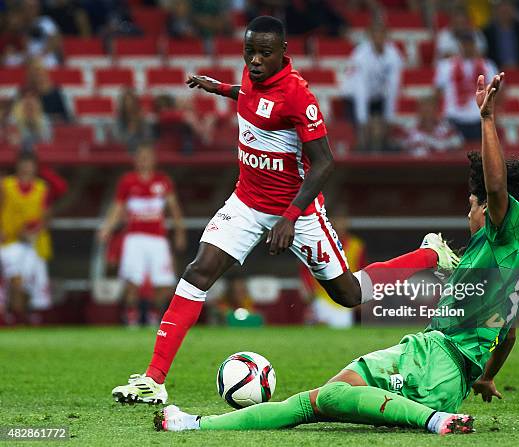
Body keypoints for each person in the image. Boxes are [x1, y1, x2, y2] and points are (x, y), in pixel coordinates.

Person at [153, 71, 519, 436]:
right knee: (326, 399)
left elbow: (496, 188)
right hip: (450, 381)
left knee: (326, 399)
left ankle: (434, 420)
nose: (471, 213)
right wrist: (486, 376)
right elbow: (507, 335)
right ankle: (195, 423)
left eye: (473, 205)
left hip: (431, 359)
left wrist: (487, 120)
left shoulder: (503, 232)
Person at [111, 16, 460, 404]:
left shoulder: (299, 96)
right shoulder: (250, 77)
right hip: (246, 201)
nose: (255, 60)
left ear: (283, 54)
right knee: (198, 271)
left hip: (299, 211)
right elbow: (252, 97)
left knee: (349, 293)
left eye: (264, 53)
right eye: (250, 52)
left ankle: (431, 252)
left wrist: (291, 217)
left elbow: (326, 162)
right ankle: (154, 379)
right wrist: (221, 88)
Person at [98, 144, 187, 327]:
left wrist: (180, 232)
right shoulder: (128, 181)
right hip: (135, 239)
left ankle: (153, 315)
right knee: (132, 282)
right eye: (141, 156)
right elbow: (118, 207)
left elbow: (174, 208)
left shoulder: (162, 181)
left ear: (154, 160)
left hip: (158, 240)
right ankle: (131, 318)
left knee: (164, 284)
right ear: (135, 160)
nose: (144, 160)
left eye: (148, 156)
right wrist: (107, 227)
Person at [0, 152, 54, 323]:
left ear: (35, 167)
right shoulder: (5, 185)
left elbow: (46, 217)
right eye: (23, 164)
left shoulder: (41, 188)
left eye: (30, 164)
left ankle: (25, 318)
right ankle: (14, 317)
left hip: (33, 243)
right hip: (9, 242)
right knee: (14, 281)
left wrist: (34, 231)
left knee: (31, 285)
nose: (26, 168)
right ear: (17, 166)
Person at [341, 20, 403, 152]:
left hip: (377, 95)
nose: (379, 37)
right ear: (370, 36)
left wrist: (389, 118)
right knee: (362, 135)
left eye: (382, 33)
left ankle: (384, 152)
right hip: (353, 97)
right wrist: (363, 122)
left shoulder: (393, 55)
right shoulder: (360, 55)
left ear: (386, 35)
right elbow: (360, 89)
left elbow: (393, 87)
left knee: (381, 131)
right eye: (375, 33)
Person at [301, 210, 366, 328]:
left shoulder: (356, 245)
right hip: (322, 296)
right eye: (336, 221)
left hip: (345, 298)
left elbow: (361, 269)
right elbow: (306, 267)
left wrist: (361, 295)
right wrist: (308, 288)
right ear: (330, 222)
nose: (340, 224)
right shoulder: (320, 242)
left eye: (342, 221)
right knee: (318, 330)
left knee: (342, 331)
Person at [435, 31, 497, 141]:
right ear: (459, 46)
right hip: (454, 117)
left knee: (478, 156)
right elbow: (438, 92)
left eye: (470, 44)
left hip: (478, 119)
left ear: (475, 45)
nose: (467, 47)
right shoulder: (446, 66)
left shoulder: (487, 65)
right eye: (464, 44)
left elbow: (496, 91)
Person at [482, 0, 519, 69]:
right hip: (497, 70)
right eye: (502, 9)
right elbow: (485, 55)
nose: (505, 11)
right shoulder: (487, 32)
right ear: (495, 11)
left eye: (508, 8)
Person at [397, 96, 463, 156]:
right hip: (415, 166)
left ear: (436, 110)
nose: (427, 113)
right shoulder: (408, 128)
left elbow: (458, 146)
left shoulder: (447, 128)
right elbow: (400, 149)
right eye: (424, 110)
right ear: (418, 111)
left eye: (429, 109)